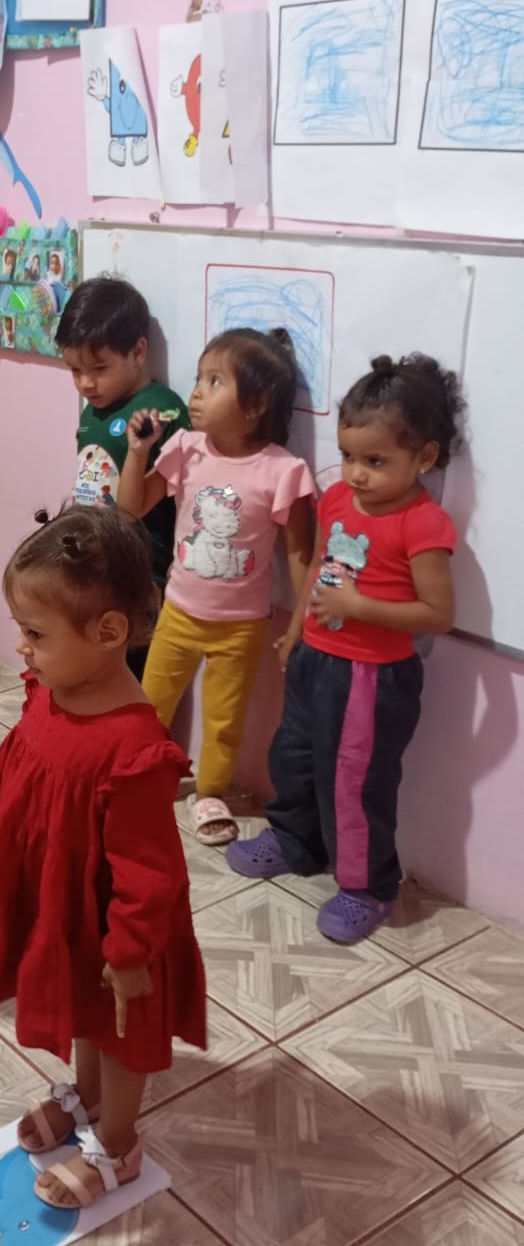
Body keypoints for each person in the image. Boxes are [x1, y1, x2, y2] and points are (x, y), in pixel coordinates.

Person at [0, 506, 206, 1210]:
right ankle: (86, 1093)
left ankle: (119, 1142)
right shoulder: (52, 689)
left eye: (36, 634)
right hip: (62, 901)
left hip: (118, 928)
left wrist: (131, 952)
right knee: (84, 1009)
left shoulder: (134, 748)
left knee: (119, 1029)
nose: (20, 648)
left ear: (109, 633)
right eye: (22, 629)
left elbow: (150, 872)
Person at [228, 355, 462, 942]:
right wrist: (296, 631)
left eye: (375, 461)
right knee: (294, 757)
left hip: (371, 677)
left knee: (354, 783)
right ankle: (295, 840)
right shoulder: (335, 499)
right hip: (315, 658)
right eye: (349, 456)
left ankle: (368, 887)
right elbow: (318, 570)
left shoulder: (423, 523)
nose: (356, 473)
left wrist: (358, 608)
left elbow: (438, 614)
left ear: (424, 458)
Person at [118, 328, 315, 845]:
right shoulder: (185, 449)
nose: (197, 393)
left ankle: (209, 793)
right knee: (149, 705)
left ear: (257, 404)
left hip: (242, 628)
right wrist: (138, 452)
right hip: (179, 613)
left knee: (224, 721)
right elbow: (130, 509)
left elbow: (301, 554)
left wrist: (301, 623)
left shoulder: (283, 471)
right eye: (199, 379)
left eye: (215, 381)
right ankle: (140, 779)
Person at [59, 275, 191, 677]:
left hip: (141, 574)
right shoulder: (93, 410)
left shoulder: (161, 411)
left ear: (138, 351)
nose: (85, 383)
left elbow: (152, 504)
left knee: (135, 680)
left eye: (99, 368)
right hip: (94, 564)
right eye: (74, 369)